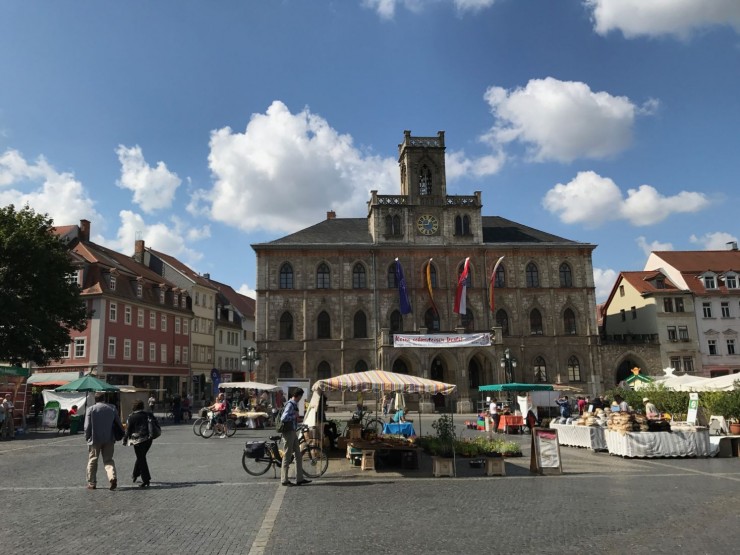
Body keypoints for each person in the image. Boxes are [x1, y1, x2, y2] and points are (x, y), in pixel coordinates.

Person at [84, 392, 123, 490]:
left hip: (95, 438)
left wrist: (87, 437)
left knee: (93, 460)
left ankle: (92, 483)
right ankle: (112, 477)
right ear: (104, 399)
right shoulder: (112, 408)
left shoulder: (91, 409)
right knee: (108, 460)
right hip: (109, 438)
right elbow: (119, 423)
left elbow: (87, 426)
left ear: (95, 400)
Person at [279, 388, 311, 487]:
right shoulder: (290, 404)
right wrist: (294, 416)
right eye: (301, 396)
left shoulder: (293, 404)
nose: (301, 398)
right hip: (288, 433)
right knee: (287, 455)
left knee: (298, 454)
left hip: (292, 431)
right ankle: (284, 480)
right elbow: (283, 418)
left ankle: (299, 478)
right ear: (299, 396)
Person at [124, 399, 153, 488]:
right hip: (148, 439)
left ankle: (146, 479)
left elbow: (128, 430)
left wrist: (125, 439)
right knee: (141, 457)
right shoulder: (148, 414)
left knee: (141, 459)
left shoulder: (132, 417)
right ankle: (135, 474)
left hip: (138, 440)